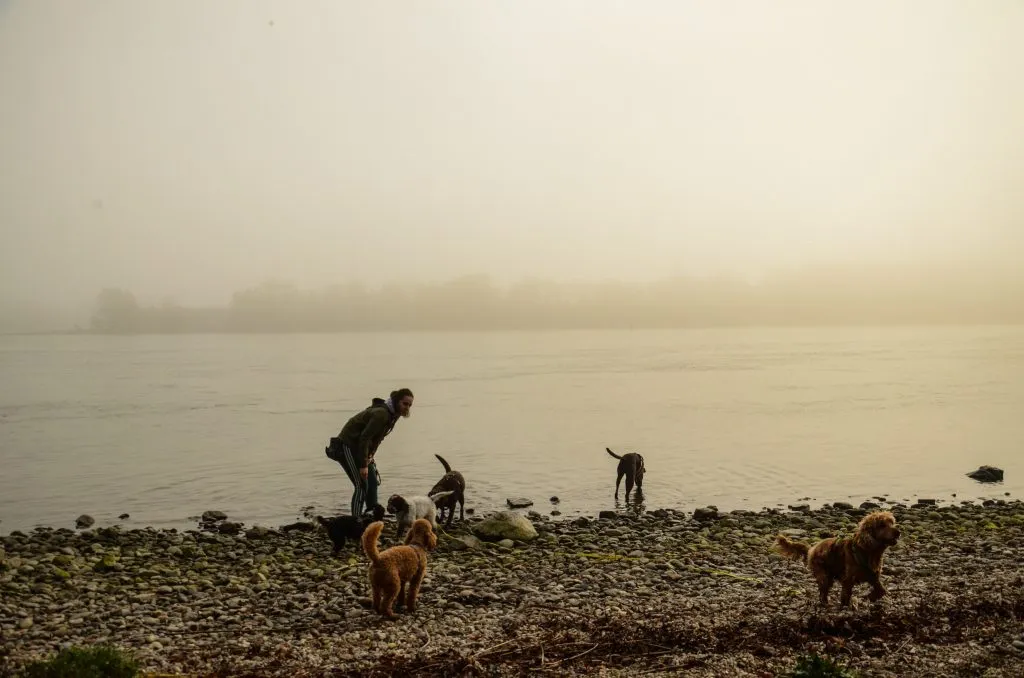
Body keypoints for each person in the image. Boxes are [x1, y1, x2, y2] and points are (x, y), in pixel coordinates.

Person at [327, 388, 414, 517]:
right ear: (396, 401)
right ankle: (356, 521)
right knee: (361, 485)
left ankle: (372, 517)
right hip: (347, 446)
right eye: (405, 403)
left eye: (410, 405)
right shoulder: (382, 414)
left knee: (372, 482)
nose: (407, 407)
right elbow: (365, 438)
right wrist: (363, 465)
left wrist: (369, 457)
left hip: (362, 448)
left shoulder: (394, 414)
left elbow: (378, 438)